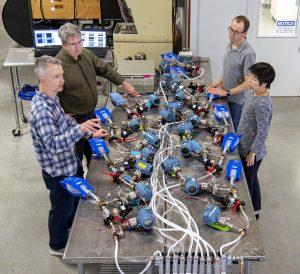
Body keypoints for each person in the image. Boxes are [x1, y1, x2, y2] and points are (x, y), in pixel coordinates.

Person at [28, 56, 108, 256]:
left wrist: (90, 132)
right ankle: (57, 245)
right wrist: (80, 129)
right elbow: (54, 144)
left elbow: (66, 122)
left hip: (69, 165)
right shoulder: (41, 110)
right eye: (57, 77)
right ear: (42, 80)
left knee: (71, 203)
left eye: (62, 75)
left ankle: (70, 229)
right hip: (58, 173)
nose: (62, 80)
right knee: (61, 208)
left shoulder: (52, 99)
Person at [56, 22, 139, 176]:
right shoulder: (58, 67)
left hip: (90, 116)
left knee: (95, 152)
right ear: (63, 44)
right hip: (74, 122)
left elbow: (105, 69)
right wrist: (62, 117)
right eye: (73, 44)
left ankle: (93, 179)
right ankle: (78, 192)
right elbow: (52, 97)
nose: (77, 47)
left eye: (80, 42)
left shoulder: (86, 55)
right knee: (75, 159)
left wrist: (125, 83)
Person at [237, 62, 276, 220]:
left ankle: (251, 214)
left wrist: (252, 152)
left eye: (254, 79)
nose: (250, 80)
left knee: (247, 183)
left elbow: (262, 132)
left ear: (264, 83)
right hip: (244, 145)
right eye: (250, 76)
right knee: (252, 179)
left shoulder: (262, 104)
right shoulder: (253, 92)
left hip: (251, 152)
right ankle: (256, 208)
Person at [208, 15, 256, 131]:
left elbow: (248, 83)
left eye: (236, 32)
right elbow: (228, 69)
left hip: (238, 103)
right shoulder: (230, 44)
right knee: (222, 128)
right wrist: (218, 83)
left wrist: (226, 92)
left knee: (233, 131)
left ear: (245, 34)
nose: (231, 34)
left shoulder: (248, 53)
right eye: (230, 29)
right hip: (226, 97)